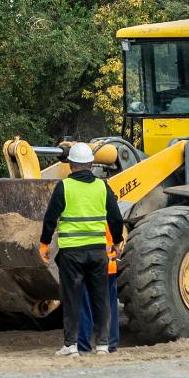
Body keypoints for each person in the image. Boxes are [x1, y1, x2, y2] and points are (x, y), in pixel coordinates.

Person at [38, 142, 124, 357]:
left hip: (71, 254)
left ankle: (71, 345)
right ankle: (103, 345)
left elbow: (50, 218)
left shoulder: (64, 187)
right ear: (92, 164)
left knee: (72, 299)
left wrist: (44, 243)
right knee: (101, 298)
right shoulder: (102, 186)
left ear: (70, 166)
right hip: (97, 253)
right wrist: (117, 240)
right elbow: (115, 217)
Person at [77, 228, 120, 354]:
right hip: (107, 262)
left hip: (87, 262)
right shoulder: (105, 208)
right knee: (109, 304)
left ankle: (84, 346)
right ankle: (110, 345)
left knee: (84, 303)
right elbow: (116, 223)